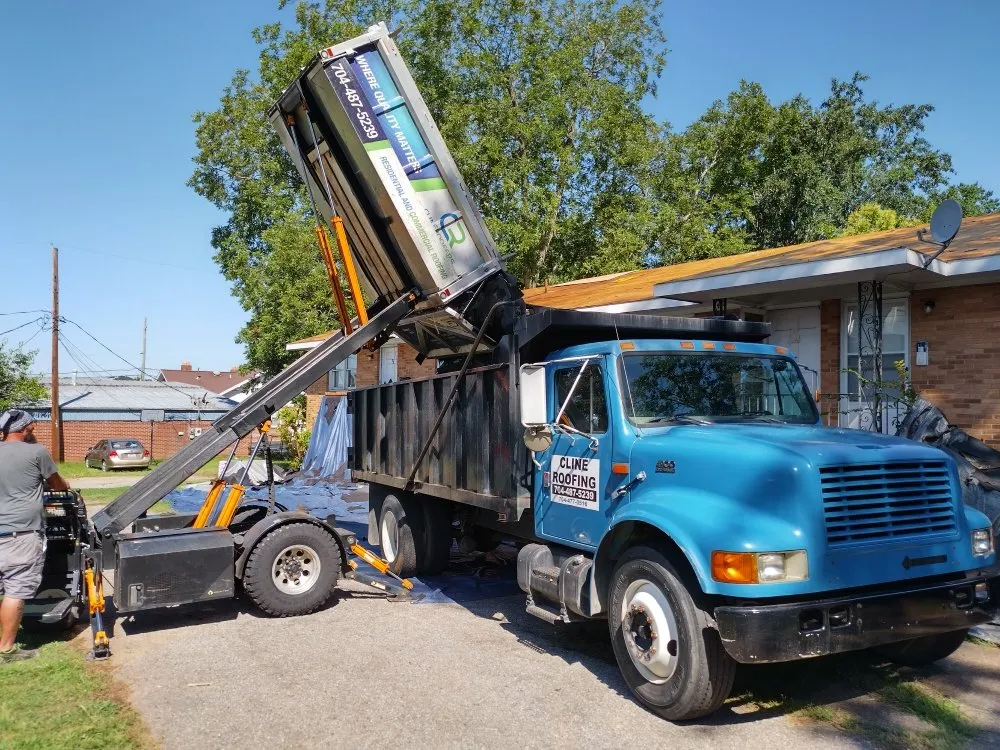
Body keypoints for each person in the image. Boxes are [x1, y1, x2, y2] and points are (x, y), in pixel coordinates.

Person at [0, 410, 70, 662]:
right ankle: (6, 650)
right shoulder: (36, 452)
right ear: (24, 428)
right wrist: (66, 486)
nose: (34, 431)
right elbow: (56, 484)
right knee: (15, 590)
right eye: (32, 427)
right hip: (21, 533)